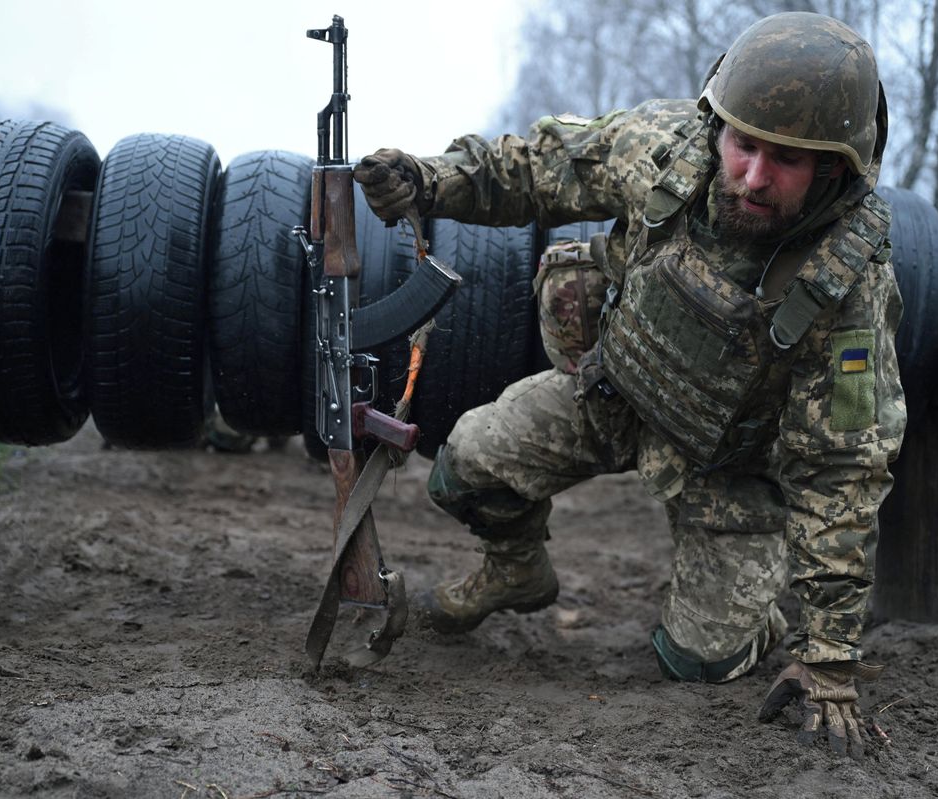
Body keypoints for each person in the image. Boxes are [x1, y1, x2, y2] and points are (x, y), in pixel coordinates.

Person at [354, 11, 905, 759]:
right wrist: (429, 179)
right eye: (743, 145)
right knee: (465, 466)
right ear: (718, 125)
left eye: (785, 160)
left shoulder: (846, 286)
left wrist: (831, 658)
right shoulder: (663, 151)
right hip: (613, 395)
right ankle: (518, 568)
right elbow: (537, 168)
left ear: (834, 168)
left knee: (697, 661)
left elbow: (841, 468)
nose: (752, 175)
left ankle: (756, 613)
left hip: (727, 466)